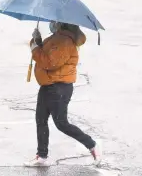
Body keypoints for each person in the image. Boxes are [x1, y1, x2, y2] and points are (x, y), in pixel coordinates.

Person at [24, 21, 101, 167]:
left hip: (59, 87)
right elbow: (46, 53)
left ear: (62, 24)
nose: (52, 23)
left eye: (54, 21)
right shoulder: (56, 38)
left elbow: (50, 63)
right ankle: (42, 156)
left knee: (61, 124)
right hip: (47, 85)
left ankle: (92, 145)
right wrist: (38, 41)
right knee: (40, 120)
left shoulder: (65, 41)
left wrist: (34, 49)